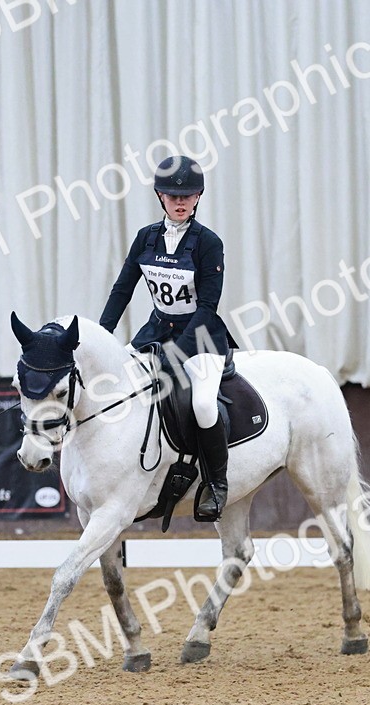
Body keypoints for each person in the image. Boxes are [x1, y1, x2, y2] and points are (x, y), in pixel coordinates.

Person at [99, 155, 235, 521]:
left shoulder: (209, 243)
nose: (180, 202)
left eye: (187, 196)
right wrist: (102, 335)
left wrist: (177, 355)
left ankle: (216, 485)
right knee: (118, 389)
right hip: (156, 330)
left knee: (204, 405)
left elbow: (208, 307)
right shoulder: (146, 238)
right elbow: (122, 289)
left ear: (198, 197)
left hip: (202, 336)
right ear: (160, 196)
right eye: (172, 196)